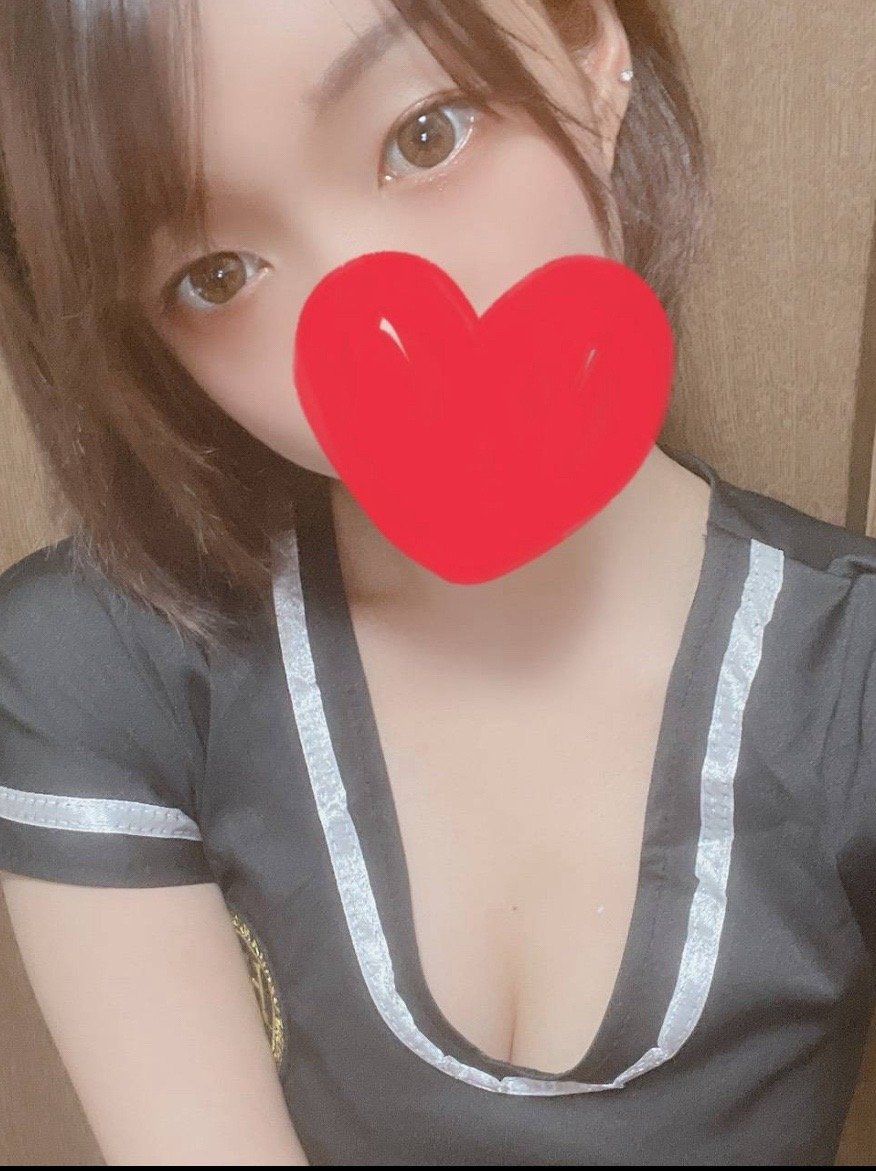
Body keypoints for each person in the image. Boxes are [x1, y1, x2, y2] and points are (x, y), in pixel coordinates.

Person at [0, 0, 873, 1164]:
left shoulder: (848, 675)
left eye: (426, 134)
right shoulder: (96, 673)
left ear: (592, 52)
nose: (371, 313)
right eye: (216, 274)